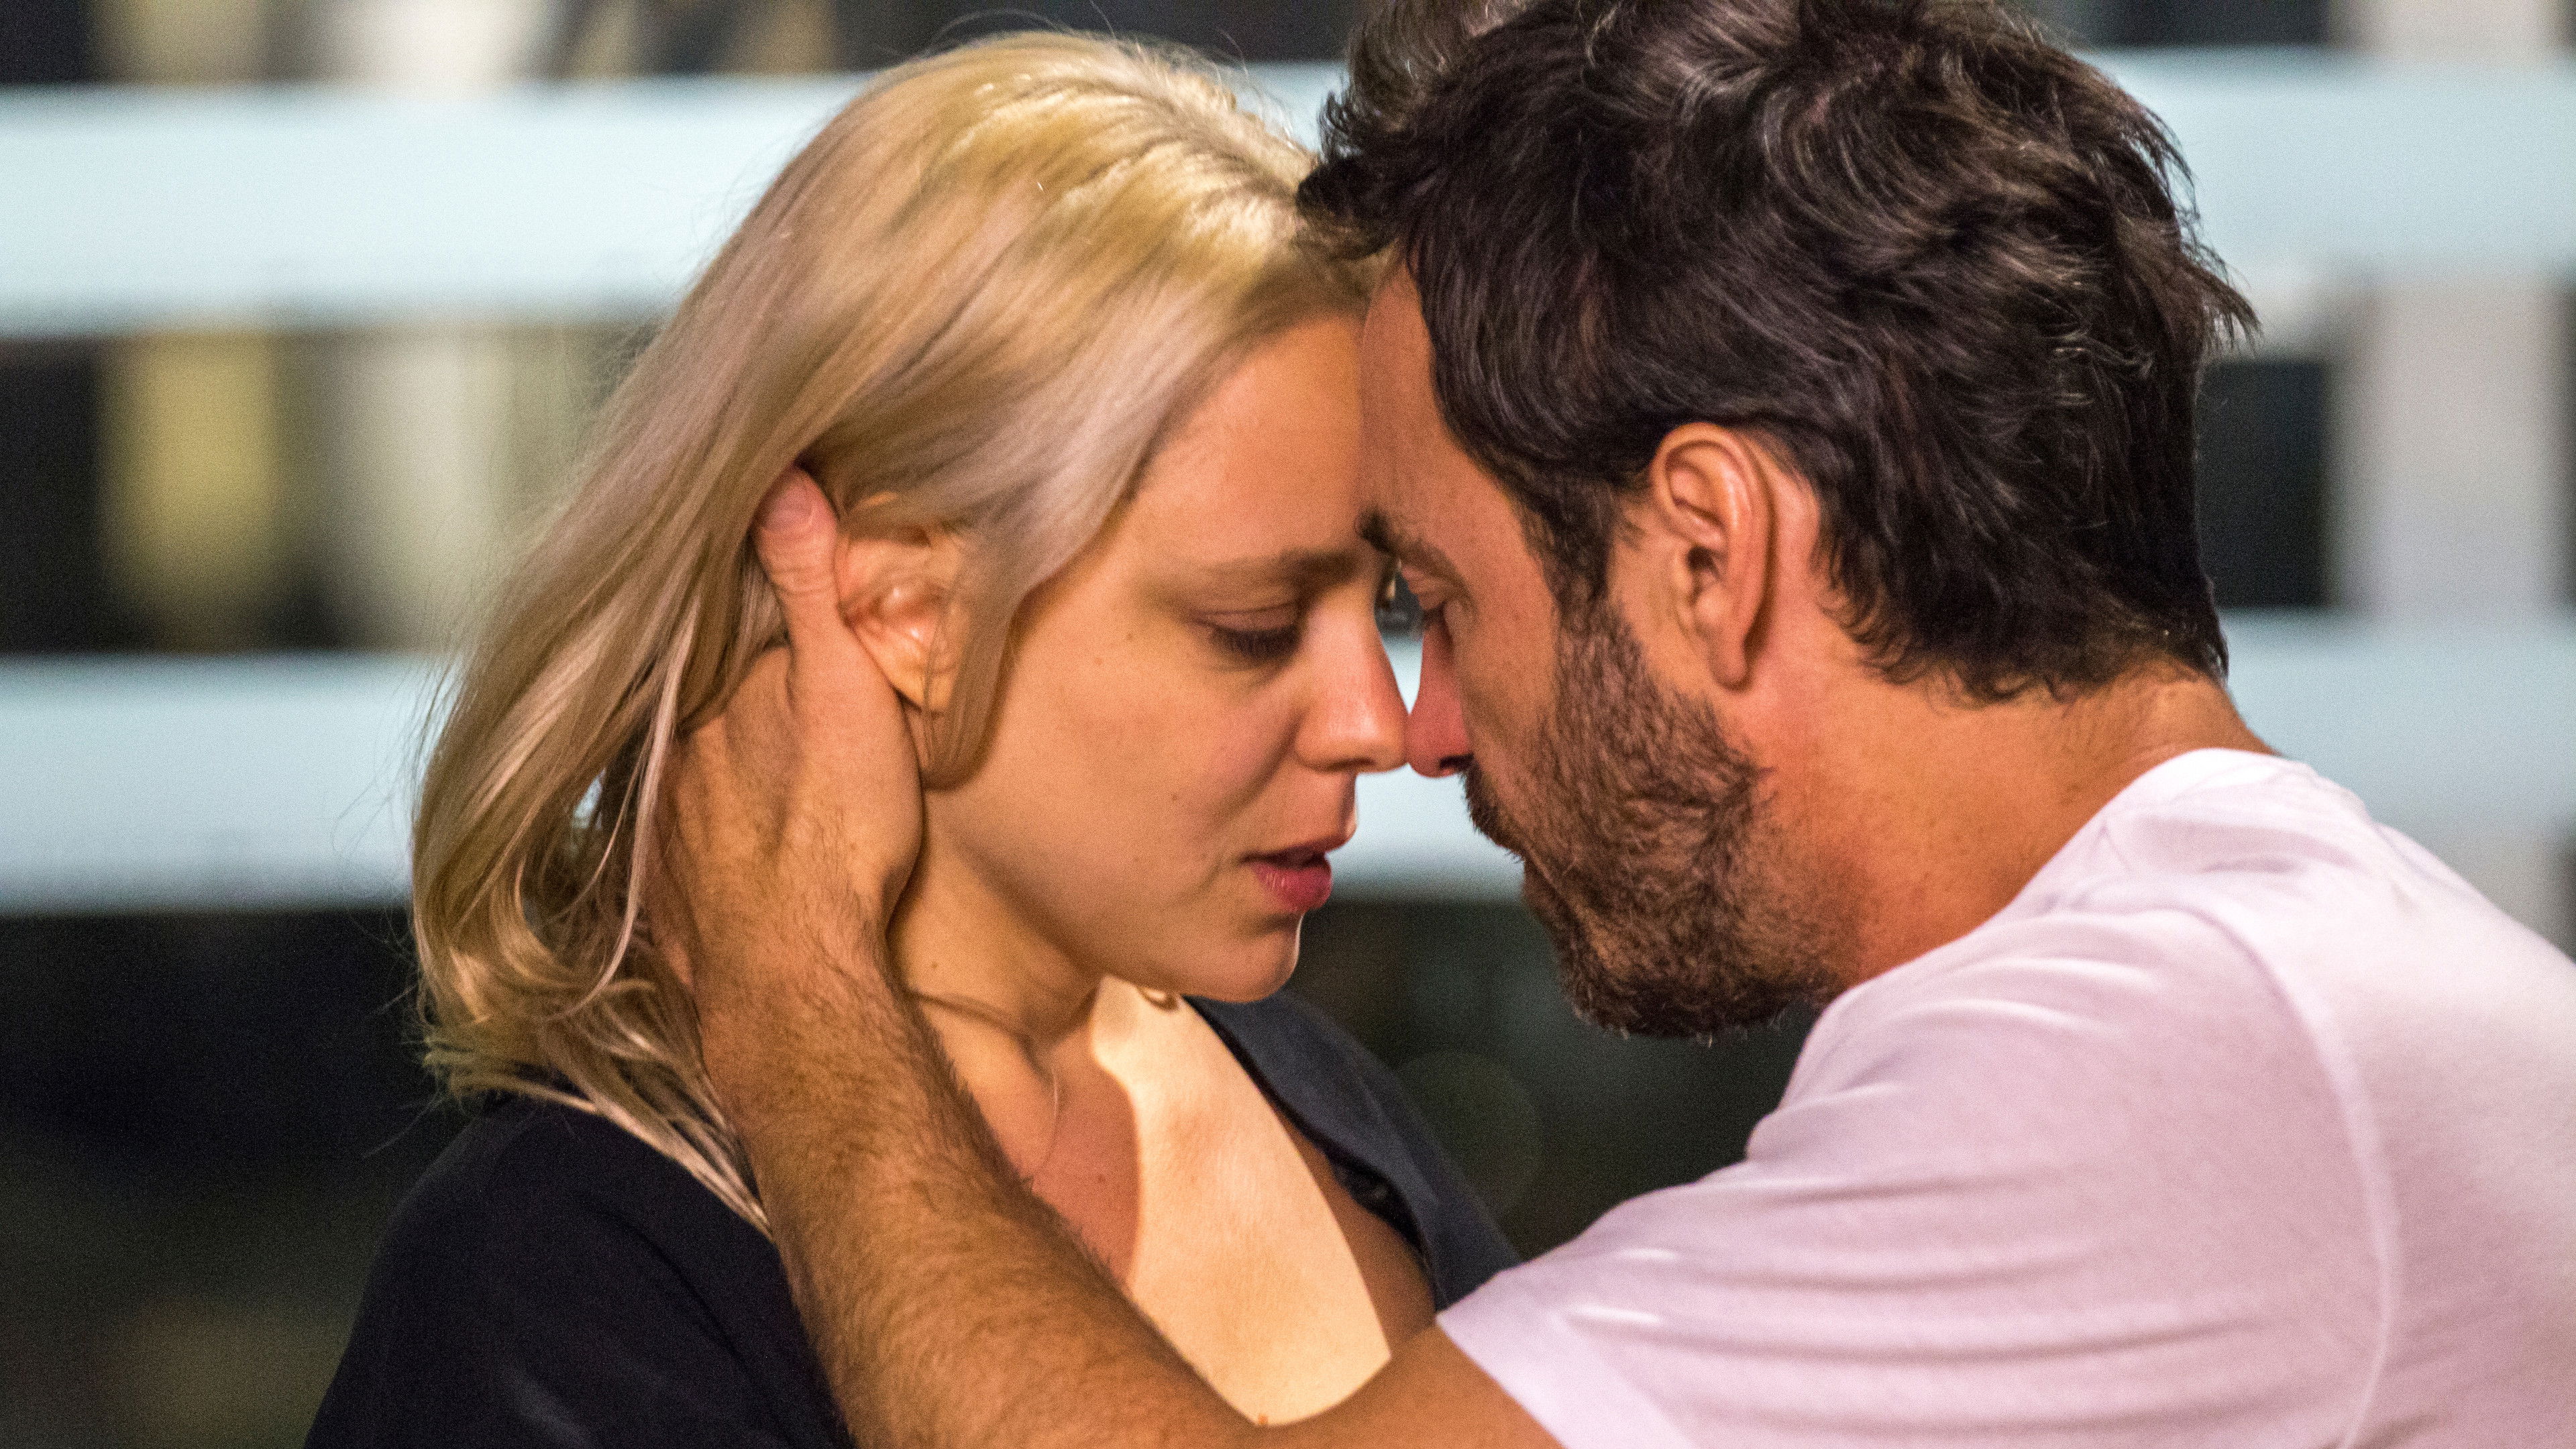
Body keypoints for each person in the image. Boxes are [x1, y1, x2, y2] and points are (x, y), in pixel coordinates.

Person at [656, 0, 2576, 1445]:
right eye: (1261, 620)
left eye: (1441, 600)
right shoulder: (2288, 995)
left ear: (1708, 554)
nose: (1418, 729)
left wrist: (799, 993)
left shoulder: (2154, 1081)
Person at [307, 35, 1518, 1448]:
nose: (1379, 722)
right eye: (1251, 627)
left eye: (1389, 603)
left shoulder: (1323, 1106)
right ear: (898, 611)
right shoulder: (562, 1276)